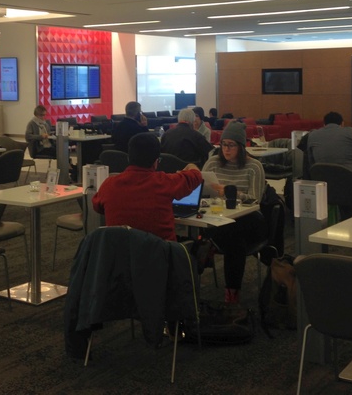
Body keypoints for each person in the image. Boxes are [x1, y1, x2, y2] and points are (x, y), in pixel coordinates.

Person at [201, 121, 269, 303]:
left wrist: (230, 193)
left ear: (241, 146)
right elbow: (200, 188)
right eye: (223, 144)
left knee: (233, 237)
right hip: (217, 216)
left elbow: (255, 200)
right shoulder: (213, 162)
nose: (226, 149)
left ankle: (231, 290)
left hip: (248, 218)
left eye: (231, 145)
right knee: (225, 234)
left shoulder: (254, 167)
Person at [92, 132, 202, 242]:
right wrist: (191, 166)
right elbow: (197, 176)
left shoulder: (109, 184)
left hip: (120, 256)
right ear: (156, 161)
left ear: (128, 158)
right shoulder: (166, 182)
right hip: (161, 256)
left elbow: (97, 207)